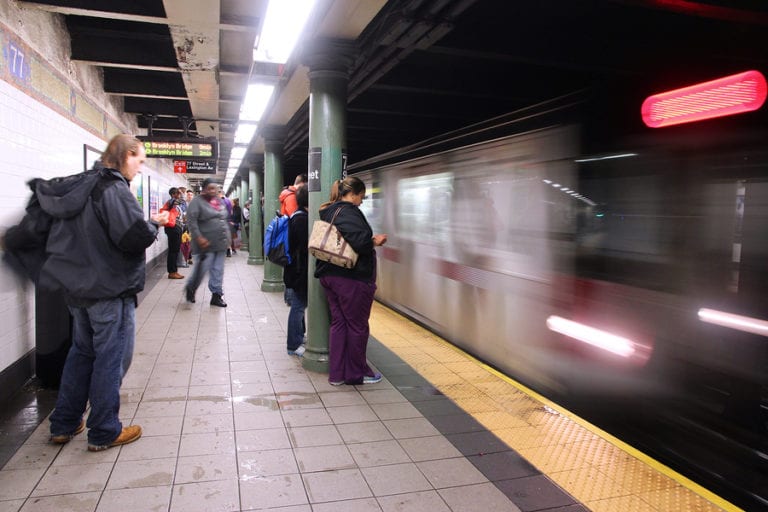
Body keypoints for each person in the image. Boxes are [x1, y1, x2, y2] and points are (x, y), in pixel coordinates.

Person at [44, 134, 168, 451]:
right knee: (111, 359)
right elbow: (131, 237)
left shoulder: (81, 185)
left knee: (81, 352)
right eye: (139, 161)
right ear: (126, 155)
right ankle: (104, 430)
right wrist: (154, 223)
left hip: (77, 289)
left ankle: (65, 422)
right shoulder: (114, 189)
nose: (139, 169)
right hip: (108, 288)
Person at [314, 176, 388, 385]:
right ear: (352, 194)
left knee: (339, 324)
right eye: (361, 197)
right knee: (357, 326)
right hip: (350, 278)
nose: (361, 201)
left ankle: (337, 374)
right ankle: (357, 373)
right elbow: (360, 242)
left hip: (330, 275)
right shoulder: (348, 212)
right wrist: (375, 241)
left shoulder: (329, 210)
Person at [185, 178, 231, 307]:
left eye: (215, 188)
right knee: (202, 269)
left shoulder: (218, 201)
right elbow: (192, 221)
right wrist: (198, 237)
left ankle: (216, 295)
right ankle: (191, 288)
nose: (213, 191)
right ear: (204, 189)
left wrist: (229, 238)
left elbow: (223, 220)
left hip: (220, 242)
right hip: (205, 243)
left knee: (218, 270)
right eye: (210, 188)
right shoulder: (197, 202)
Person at [285, 186, 309, 356]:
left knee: (299, 305)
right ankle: (293, 344)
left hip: (295, 269)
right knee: (298, 306)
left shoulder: (297, 216)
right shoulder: (302, 220)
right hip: (299, 270)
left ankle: (298, 336)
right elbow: (305, 248)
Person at [160, 187, 185, 279]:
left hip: (175, 228)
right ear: (173, 194)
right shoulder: (171, 201)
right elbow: (182, 200)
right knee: (173, 250)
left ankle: (173, 271)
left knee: (174, 250)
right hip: (173, 228)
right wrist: (181, 193)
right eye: (178, 193)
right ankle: (172, 272)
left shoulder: (174, 204)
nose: (179, 195)